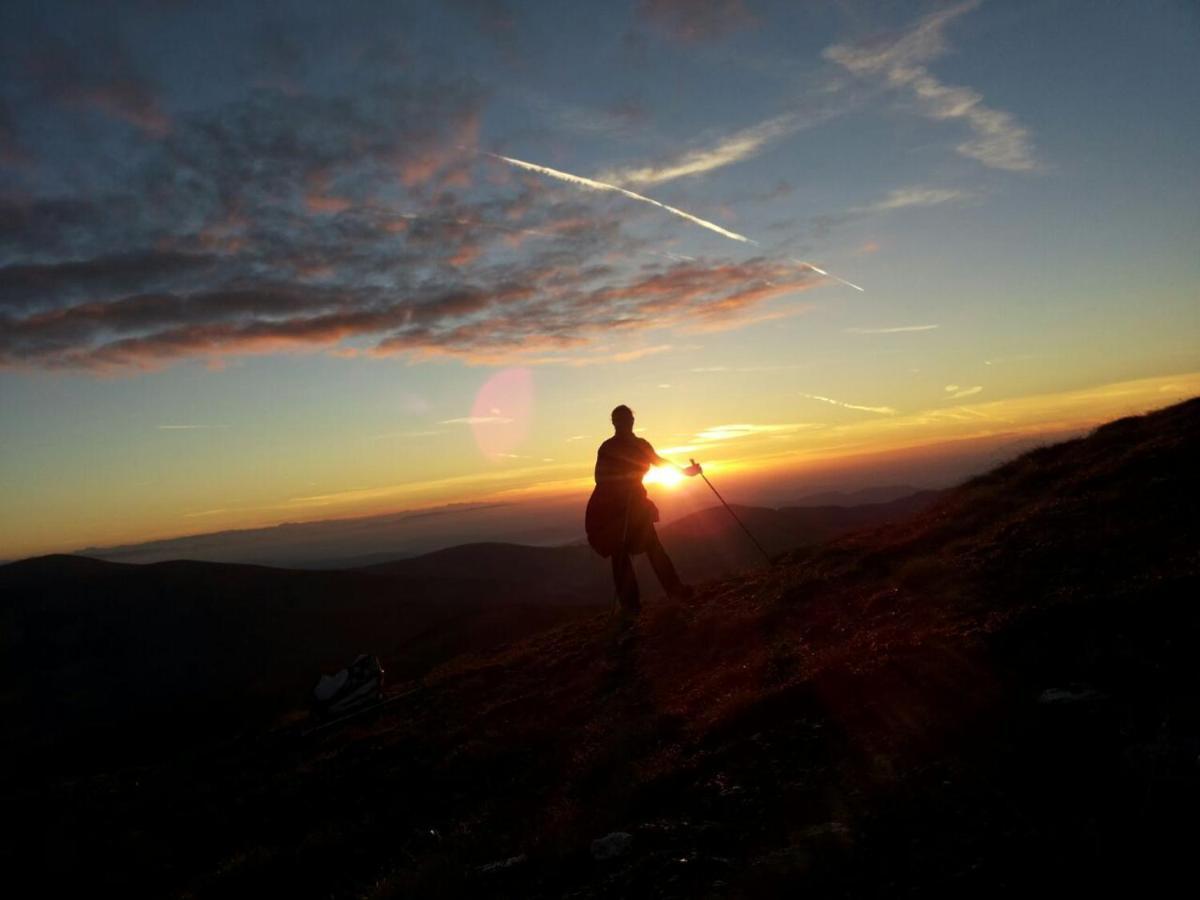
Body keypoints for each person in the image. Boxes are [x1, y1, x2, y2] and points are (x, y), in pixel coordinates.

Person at [585, 405, 701, 616]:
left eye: (627, 419)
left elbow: (659, 462)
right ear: (615, 422)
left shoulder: (627, 446)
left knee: (646, 547)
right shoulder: (611, 447)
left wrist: (684, 472)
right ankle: (637, 604)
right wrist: (624, 483)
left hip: (631, 503)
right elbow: (600, 478)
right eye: (621, 419)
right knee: (626, 552)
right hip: (612, 507)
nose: (625, 423)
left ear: (631, 421)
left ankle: (640, 604)